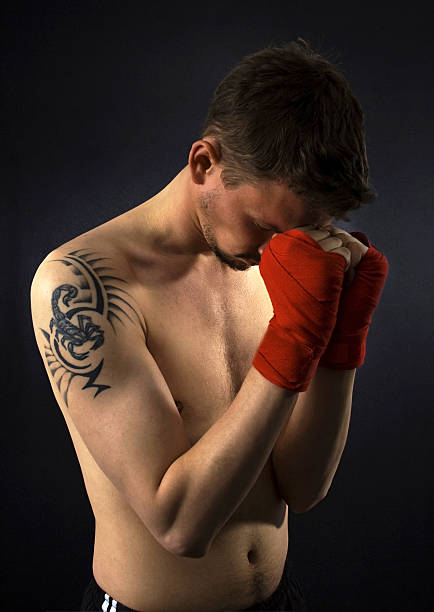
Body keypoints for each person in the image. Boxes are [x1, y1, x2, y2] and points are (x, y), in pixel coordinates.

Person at [30, 39, 388, 612]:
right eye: (264, 226)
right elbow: (178, 527)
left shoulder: (272, 258)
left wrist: (340, 343)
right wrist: (294, 339)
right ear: (204, 163)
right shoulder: (83, 285)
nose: (282, 249)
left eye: (302, 232)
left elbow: (302, 486)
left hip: (278, 599)